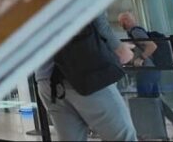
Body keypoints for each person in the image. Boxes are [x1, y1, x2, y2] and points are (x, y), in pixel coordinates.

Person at [35, 13, 137, 141]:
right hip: (85, 74)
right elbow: (96, 16)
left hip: (46, 79)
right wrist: (119, 48)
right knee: (123, 136)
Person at [118, 11, 173, 139]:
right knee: (154, 100)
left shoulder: (135, 31)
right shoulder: (136, 32)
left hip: (146, 72)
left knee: (146, 102)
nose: (121, 24)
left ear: (125, 21)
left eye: (121, 21)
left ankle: (148, 134)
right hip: (152, 70)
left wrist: (141, 58)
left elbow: (152, 46)